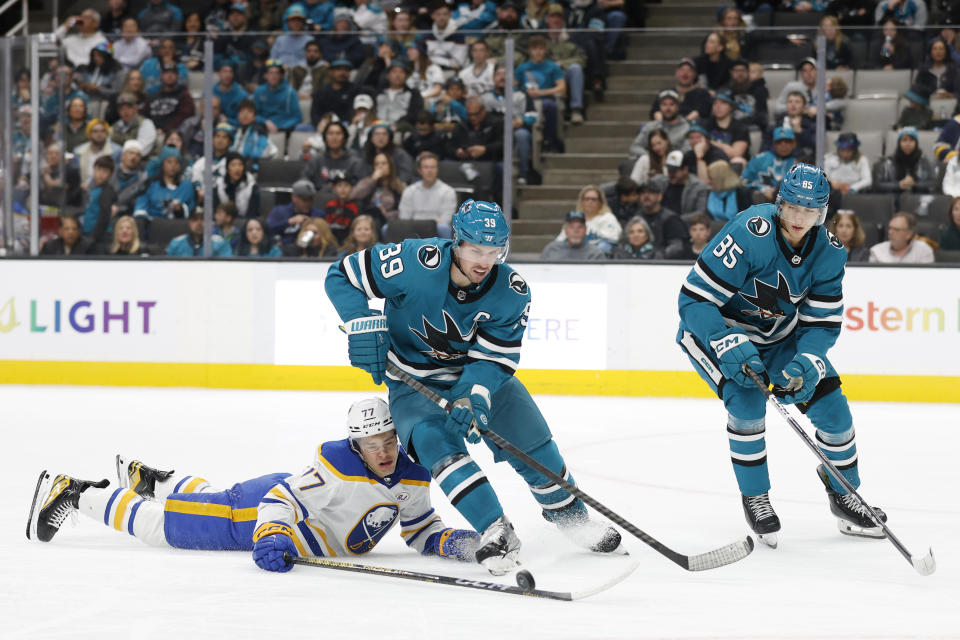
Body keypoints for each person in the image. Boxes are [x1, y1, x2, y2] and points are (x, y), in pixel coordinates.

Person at [324, 200, 623, 574]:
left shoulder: (512, 291)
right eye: (475, 249)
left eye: (494, 250)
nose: (484, 261)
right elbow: (341, 275)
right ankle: (496, 529)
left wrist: (474, 395)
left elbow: (494, 359)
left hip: (479, 377)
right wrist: (360, 321)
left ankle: (571, 518)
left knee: (535, 447)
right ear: (457, 242)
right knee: (436, 445)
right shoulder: (415, 262)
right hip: (414, 384)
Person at [677, 162, 889, 549]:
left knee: (834, 410)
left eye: (809, 210)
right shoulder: (748, 233)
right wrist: (724, 340)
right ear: (780, 204)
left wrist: (807, 360)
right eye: (792, 207)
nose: (798, 217)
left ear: (822, 214)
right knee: (746, 404)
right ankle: (755, 497)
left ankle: (846, 495)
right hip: (716, 332)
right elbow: (693, 300)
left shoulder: (829, 253)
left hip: (780, 337)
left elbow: (821, 323)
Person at [27, 398, 480, 572]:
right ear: (355, 444)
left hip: (269, 504)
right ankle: (75, 490)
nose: (381, 452)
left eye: (387, 441)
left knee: (215, 498)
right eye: (370, 443)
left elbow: (421, 529)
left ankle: (155, 480)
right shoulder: (337, 466)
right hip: (255, 513)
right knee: (163, 529)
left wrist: (463, 543)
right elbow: (280, 500)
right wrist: (272, 534)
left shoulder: (414, 475)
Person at [516, 35, 567, 153]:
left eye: (540, 49)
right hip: (526, 99)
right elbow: (513, 85)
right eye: (534, 49)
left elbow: (562, 87)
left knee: (550, 106)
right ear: (529, 51)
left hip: (546, 98)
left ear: (545, 50)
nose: (537, 52)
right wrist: (524, 93)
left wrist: (541, 92)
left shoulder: (553, 67)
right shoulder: (522, 68)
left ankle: (549, 140)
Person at [397, 152, 458, 238]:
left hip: (436, 229)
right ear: (419, 170)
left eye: (433, 167)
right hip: (412, 229)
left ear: (437, 170)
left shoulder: (448, 191)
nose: (429, 170)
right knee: (386, 228)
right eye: (426, 167)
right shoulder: (409, 191)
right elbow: (404, 218)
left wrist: (424, 225)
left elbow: (445, 220)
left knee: (444, 228)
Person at [133, 147, 196, 219]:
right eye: (169, 162)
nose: (173, 165)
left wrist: (180, 210)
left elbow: (191, 211)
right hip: (153, 226)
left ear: (180, 166)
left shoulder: (187, 186)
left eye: (176, 162)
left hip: (178, 226)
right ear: (162, 164)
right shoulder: (151, 185)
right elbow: (140, 209)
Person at [555, 185, 621, 254]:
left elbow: (609, 243)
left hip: (596, 259)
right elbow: (560, 241)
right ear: (582, 201)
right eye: (587, 199)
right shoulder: (574, 219)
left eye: (594, 199)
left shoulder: (608, 218)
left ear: (601, 202)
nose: (590, 202)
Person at [638, 175, 691, 259]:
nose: (646, 196)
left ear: (660, 196)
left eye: (651, 192)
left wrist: (655, 256)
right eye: (642, 193)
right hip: (637, 263)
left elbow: (677, 247)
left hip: (665, 265)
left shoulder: (670, 219)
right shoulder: (637, 218)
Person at [741, 127, 798, 203]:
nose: (783, 145)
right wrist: (762, 189)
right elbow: (744, 181)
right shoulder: (759, 159)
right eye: (779, 142)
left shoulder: (799, 164)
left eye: (787, 142)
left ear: (794, 144)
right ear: (774, 144)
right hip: (760, 201)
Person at [872, 126, 936, 194]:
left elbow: (933, 183)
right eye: (904, 140)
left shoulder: (923, 161)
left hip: (917, 199)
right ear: (899, 143)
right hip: (894, 200)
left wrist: (914, 184)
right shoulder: (889, 162)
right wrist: (898, 185)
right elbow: (877, 185)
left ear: (916, 143)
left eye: (911, 140)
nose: (908, 144)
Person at [649, 58, 713, 123]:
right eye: (682, 70)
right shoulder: (665, 93)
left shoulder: (702, 94)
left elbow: (702, 112)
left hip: (691, 127)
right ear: (676, 72)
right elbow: (655, 112)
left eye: (689, 70)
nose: (685, 73)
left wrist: (682, 125)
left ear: (694, 74)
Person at [352, 151, 406, 225]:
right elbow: (353, 195)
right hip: (368, 220)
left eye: (383, 163)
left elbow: (405, 210)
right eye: (377, 164)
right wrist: (373, 180)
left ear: (390, 166)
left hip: (391, 222)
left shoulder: (399, 185)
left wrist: (386, 215)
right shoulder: (368, 181)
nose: (380, 166)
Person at [267, 178, 324, 246]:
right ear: (294, 197)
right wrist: (289, 222)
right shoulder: (279, 211)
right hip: (283, 252)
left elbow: (325, 237)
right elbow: (266, 230)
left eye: (311, 199)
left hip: (310, 253)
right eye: (305, 200)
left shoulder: (318, 215)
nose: (308, 203)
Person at [144, 61, 195, 135]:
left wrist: (165, 130)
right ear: (161, 76)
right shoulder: (153, 96)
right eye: (166, 73)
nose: (169, 76)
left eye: (173, 73)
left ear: (177, 76)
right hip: (151, 132)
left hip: (174, 133)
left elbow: (184, 117)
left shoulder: (184, 96)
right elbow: (145, 115)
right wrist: (151, 130)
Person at [869, 211, 935, 263]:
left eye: (896, 229)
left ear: (909, 234)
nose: (890, 232)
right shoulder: (876, 251)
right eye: (890, 228)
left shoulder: (923, 250)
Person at [165, 209, 234, 257]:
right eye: (195, 219)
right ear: (189, 223)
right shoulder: (176, 243)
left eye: (203, 219)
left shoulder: (220, 243)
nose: (199, 223)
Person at [82, 156, 118, 244]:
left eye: (105, 171)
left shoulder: (106, 191)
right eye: (98, 169)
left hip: (100, 235)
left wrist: (93, 237)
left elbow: (104, 216)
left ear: (110, 174)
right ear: (93, 170)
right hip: (89, 231)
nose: (101, 174)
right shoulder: (94, 189)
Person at [110, 92, 157, 157]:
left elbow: (142, 149)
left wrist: (122, 154)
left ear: (135, 109)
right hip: (119, 160)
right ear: (118, 111)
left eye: (129, 107)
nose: (125, 111)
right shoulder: (115, 126)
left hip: (142, 161)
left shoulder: (145, 123)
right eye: (122, 108)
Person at [324, 172, 360, 244]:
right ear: (334, 188)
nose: (343, 189)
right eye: (339, 185)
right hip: (330, 241)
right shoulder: (329, 205)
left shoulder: (356, 207)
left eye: (346, 185)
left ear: (352, 188)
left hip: (349, 242)